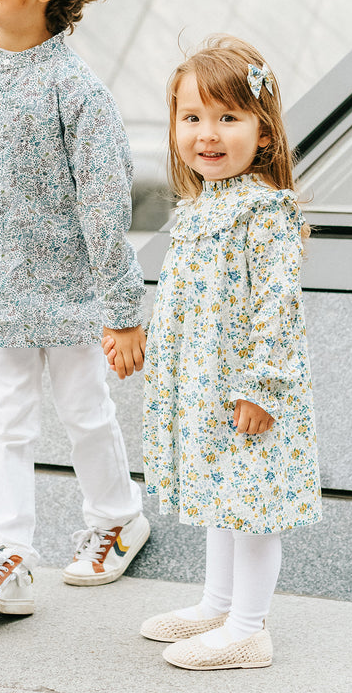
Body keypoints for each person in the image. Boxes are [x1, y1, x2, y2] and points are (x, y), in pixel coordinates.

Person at [0, 0, 149, 616]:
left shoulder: (78, 91)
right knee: (4, 422)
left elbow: (104, 209)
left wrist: (124, 310)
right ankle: (7, 557)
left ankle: (118, 520)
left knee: (86, 414)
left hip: (70, 295)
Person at [104, 35, 321, 670]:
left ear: (265, 132)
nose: (208, 133)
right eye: (192, 117)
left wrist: (262, 387)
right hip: (205, 380)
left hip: (247, 387)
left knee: (251, 500)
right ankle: (217, 603)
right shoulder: (200, 208)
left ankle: (250, 627)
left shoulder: (265, 210)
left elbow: (276, 305)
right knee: (222, 492)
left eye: (229, 118)